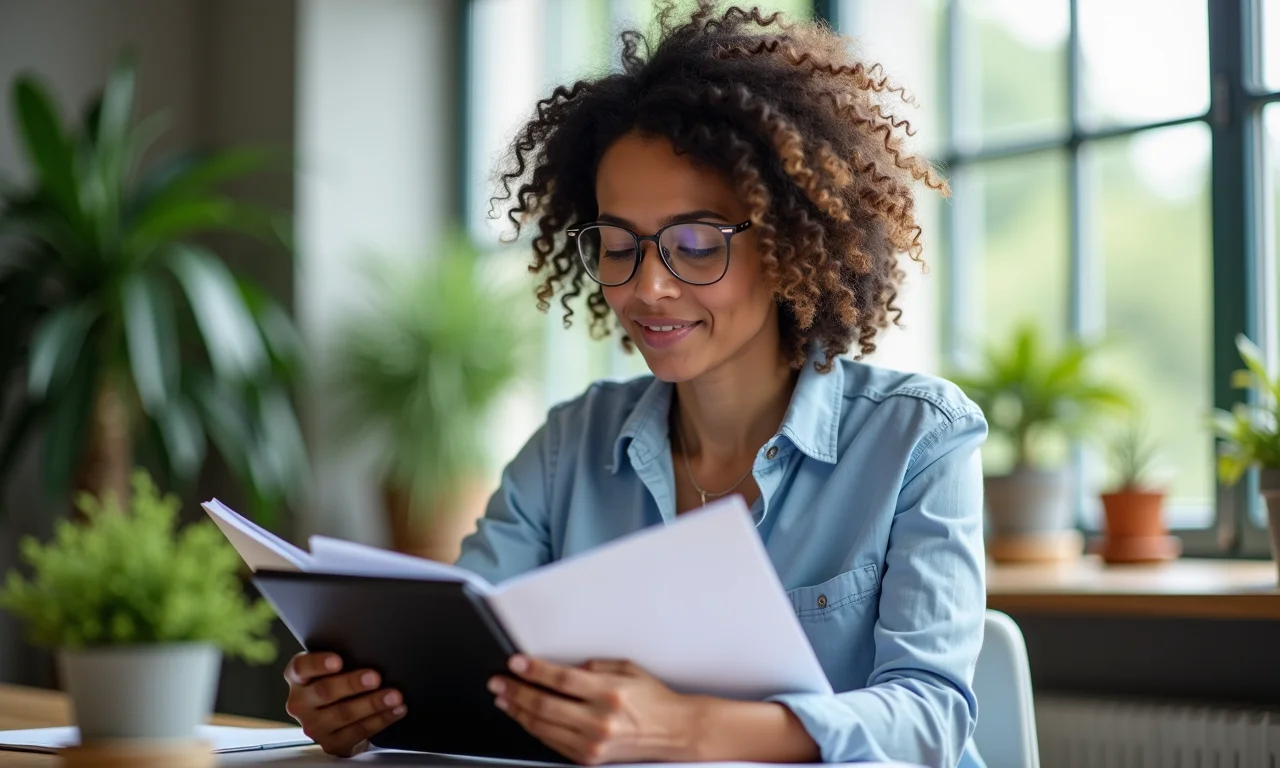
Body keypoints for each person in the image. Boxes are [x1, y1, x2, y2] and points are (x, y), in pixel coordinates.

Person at [282, 3, 989, 766]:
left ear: (786, 244)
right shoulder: (568, 449)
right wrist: (369, 700)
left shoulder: (919, 437)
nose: (648, 287)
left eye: (693, 244)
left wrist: (685, 729)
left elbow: (931, 717)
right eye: (619, 245)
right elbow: (464, 656)